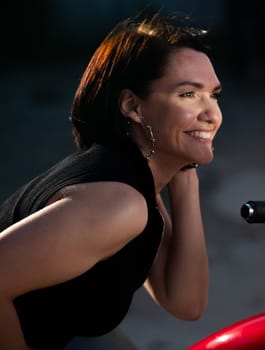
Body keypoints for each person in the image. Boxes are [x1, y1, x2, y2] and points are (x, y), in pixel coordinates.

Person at [0, 12, 222, 349]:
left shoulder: (138, 180)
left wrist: (184, 176)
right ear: (132, 106)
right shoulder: (119, 203)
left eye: (214, 95)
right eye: (188, 95)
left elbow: (186, 303)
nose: (212, 114)